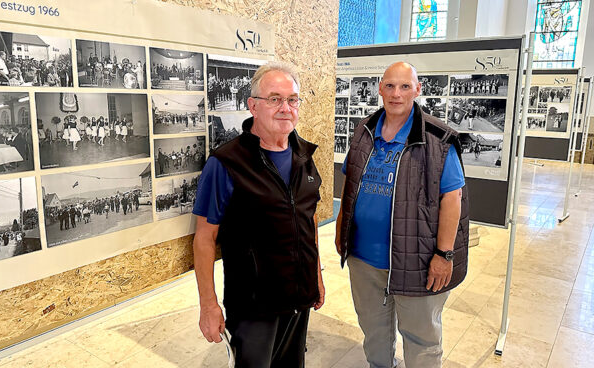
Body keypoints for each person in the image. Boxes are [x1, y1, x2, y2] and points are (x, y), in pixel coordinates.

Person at [335, 62, 469, 368]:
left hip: (417, 261)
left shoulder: (437, 140)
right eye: (390, 86)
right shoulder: (364, 131)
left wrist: (444, 254)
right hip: (364, 259)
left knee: (421, 338)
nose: (397, 94)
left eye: (405, 86)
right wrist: (341, 231)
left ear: (417, 90)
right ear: (380, 89)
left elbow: (452, 198)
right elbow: (350, 184)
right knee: (374, 331)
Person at [192, 62, 324, 367]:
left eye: (292, 99)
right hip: (254, 305)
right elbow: (204, 238)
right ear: (252, 106)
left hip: (299, 296)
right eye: (274, 99)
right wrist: (208, 305)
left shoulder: (305, 156)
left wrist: (316, 277)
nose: (285, 108)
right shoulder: (226, 163)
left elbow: (309, 220)